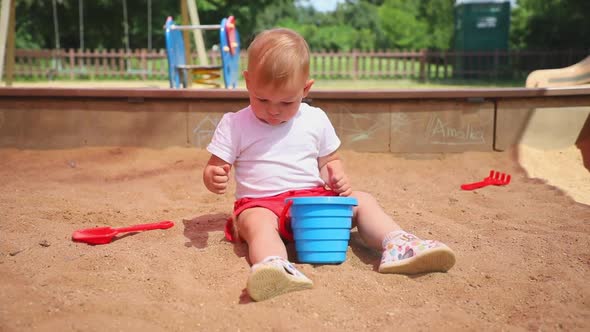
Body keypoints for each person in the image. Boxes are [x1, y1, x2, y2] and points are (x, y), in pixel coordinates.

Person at [202, 28, 456, 302]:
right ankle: (274, 265)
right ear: (248, 82)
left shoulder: (315, 119)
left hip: (311, 203)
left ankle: (397, 243)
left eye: (287, 102)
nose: (273, 110)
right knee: (257, 223)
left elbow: (330, 161)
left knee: (363, 200)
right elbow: (214, 166)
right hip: (261, 202)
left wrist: (336, 175)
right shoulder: (235, 123)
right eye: (262, 99)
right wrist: (213, 175)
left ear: (306, 88)